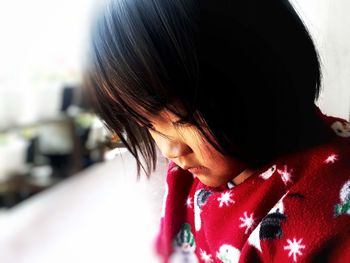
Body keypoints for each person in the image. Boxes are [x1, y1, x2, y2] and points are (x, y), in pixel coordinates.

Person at [85, 0, 350, 262]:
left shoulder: (329, 212)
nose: (170, 150)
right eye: (148, 124)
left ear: (257, 70)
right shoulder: (192, 172)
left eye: (183, 118)